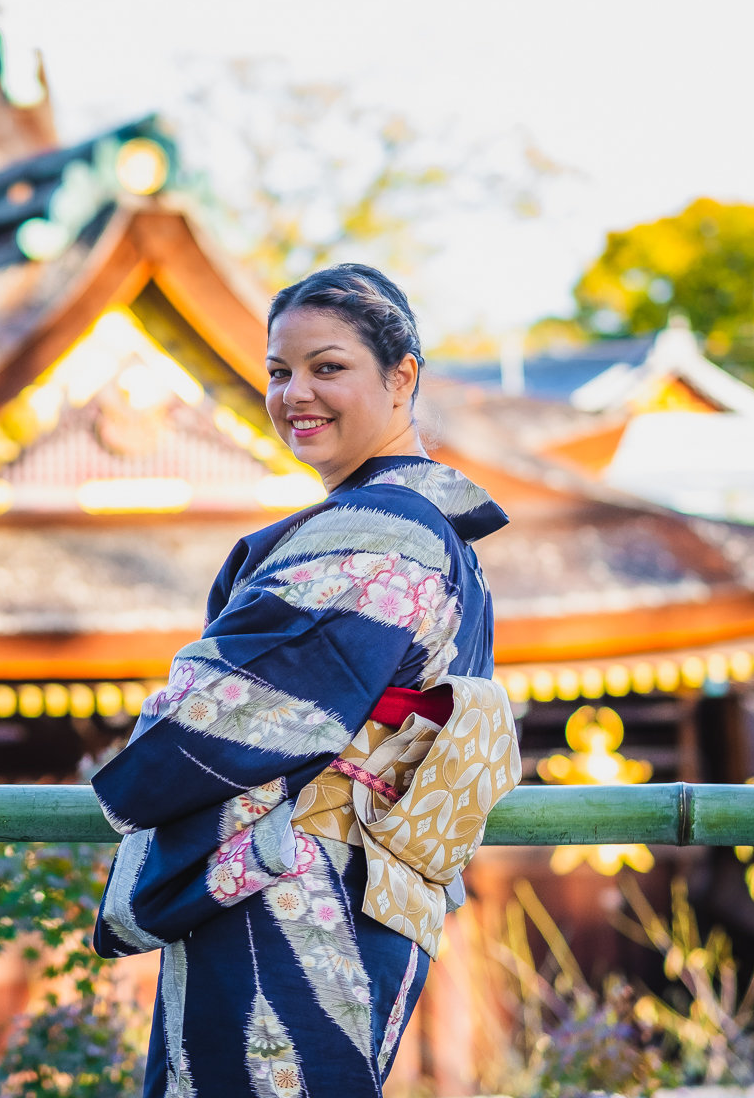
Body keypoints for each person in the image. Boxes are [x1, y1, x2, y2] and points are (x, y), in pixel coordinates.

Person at [90, 263, 522, 1098]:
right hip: (368, 886)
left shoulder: (381, 531)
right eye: (279, 372)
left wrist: (161, 724)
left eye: (328, 368)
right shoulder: (432, 537)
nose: (295, 394)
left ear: (403, 378)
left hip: (294, 889)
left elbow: (222, 721)